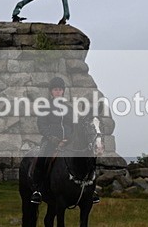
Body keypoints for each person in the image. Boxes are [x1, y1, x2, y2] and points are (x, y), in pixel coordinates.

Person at [29, 77, 100, 205]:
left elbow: (75, 126)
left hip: (68, 142)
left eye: (60, 90)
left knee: (87, 157)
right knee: (42, 157)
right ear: (51, 92)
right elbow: (42, 126)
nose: (58, 92)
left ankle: (91, 189)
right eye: (55, 90)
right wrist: (54, 140)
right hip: (51, 141)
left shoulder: (69, 109)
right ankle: (37, 190)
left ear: (63, 92)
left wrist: (70, 139)